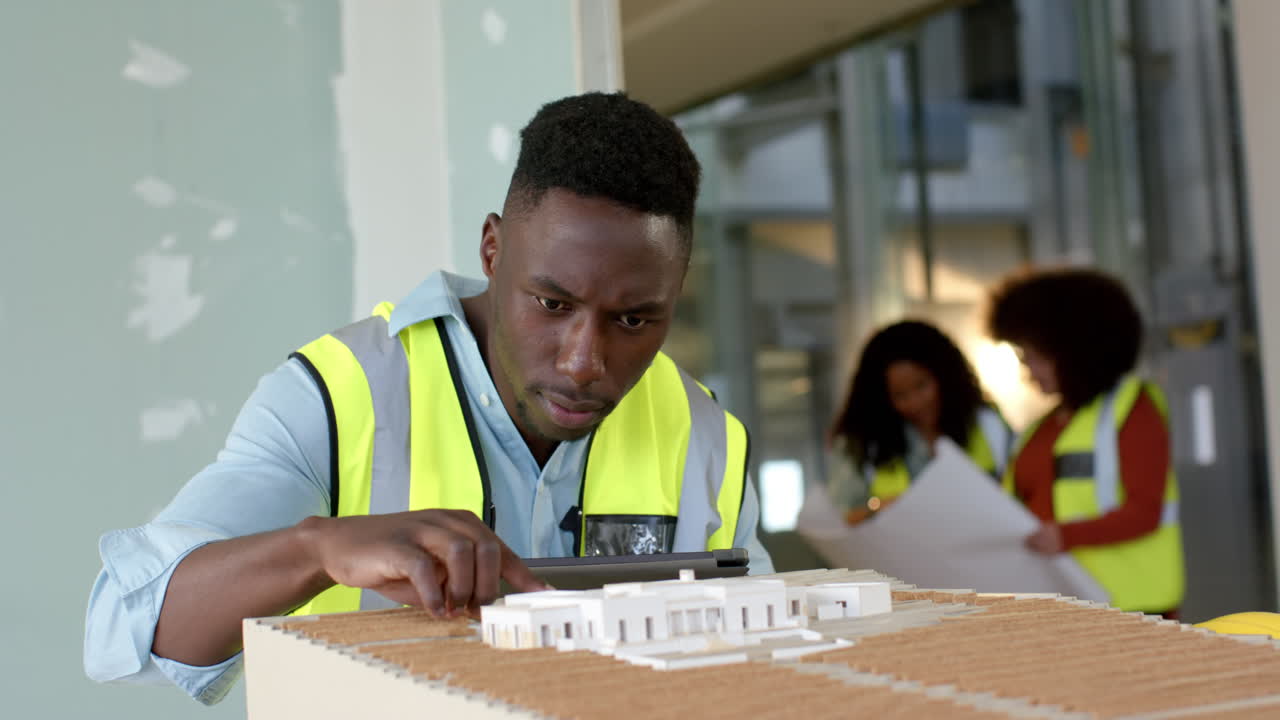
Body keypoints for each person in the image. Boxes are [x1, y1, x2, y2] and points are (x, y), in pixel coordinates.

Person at [84, 92, 774, 705]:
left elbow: (767, 660)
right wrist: (318, 548)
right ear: (493, 249)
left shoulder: (705, 435)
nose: (583, 361)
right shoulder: (337, 394)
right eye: (551, 302)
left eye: (633, 320)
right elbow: (125, 623)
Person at [988, 267, 1184, 617]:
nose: (1027, 371)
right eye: (1023, 358)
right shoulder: (1039, 430)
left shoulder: (1133, 409)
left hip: (1133, 608)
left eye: (1034, 357)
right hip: (1060, 603)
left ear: (1072, 350)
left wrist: (1066, 536)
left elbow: (1145, 511)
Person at [826, 320, 1014, 524]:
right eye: (900, 395)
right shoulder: (862, 446)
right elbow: (839, 519)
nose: (915, 403)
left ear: (945, 377)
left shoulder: (988, 425)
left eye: (921, 386)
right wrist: (879, 509)